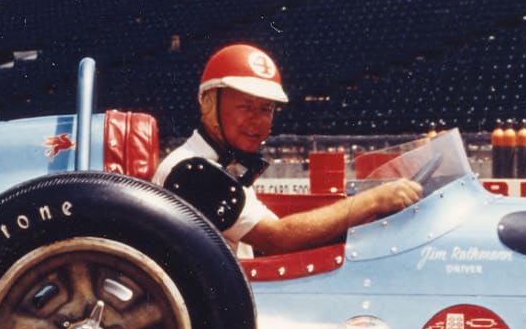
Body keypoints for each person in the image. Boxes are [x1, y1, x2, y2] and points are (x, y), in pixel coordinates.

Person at [154, 44, 421, 259]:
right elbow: (276, 239)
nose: (257, 121)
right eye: (246, 107)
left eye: (266, 110)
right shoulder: (192, 170)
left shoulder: (224, 166)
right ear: (210, 104)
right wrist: (372, 200)